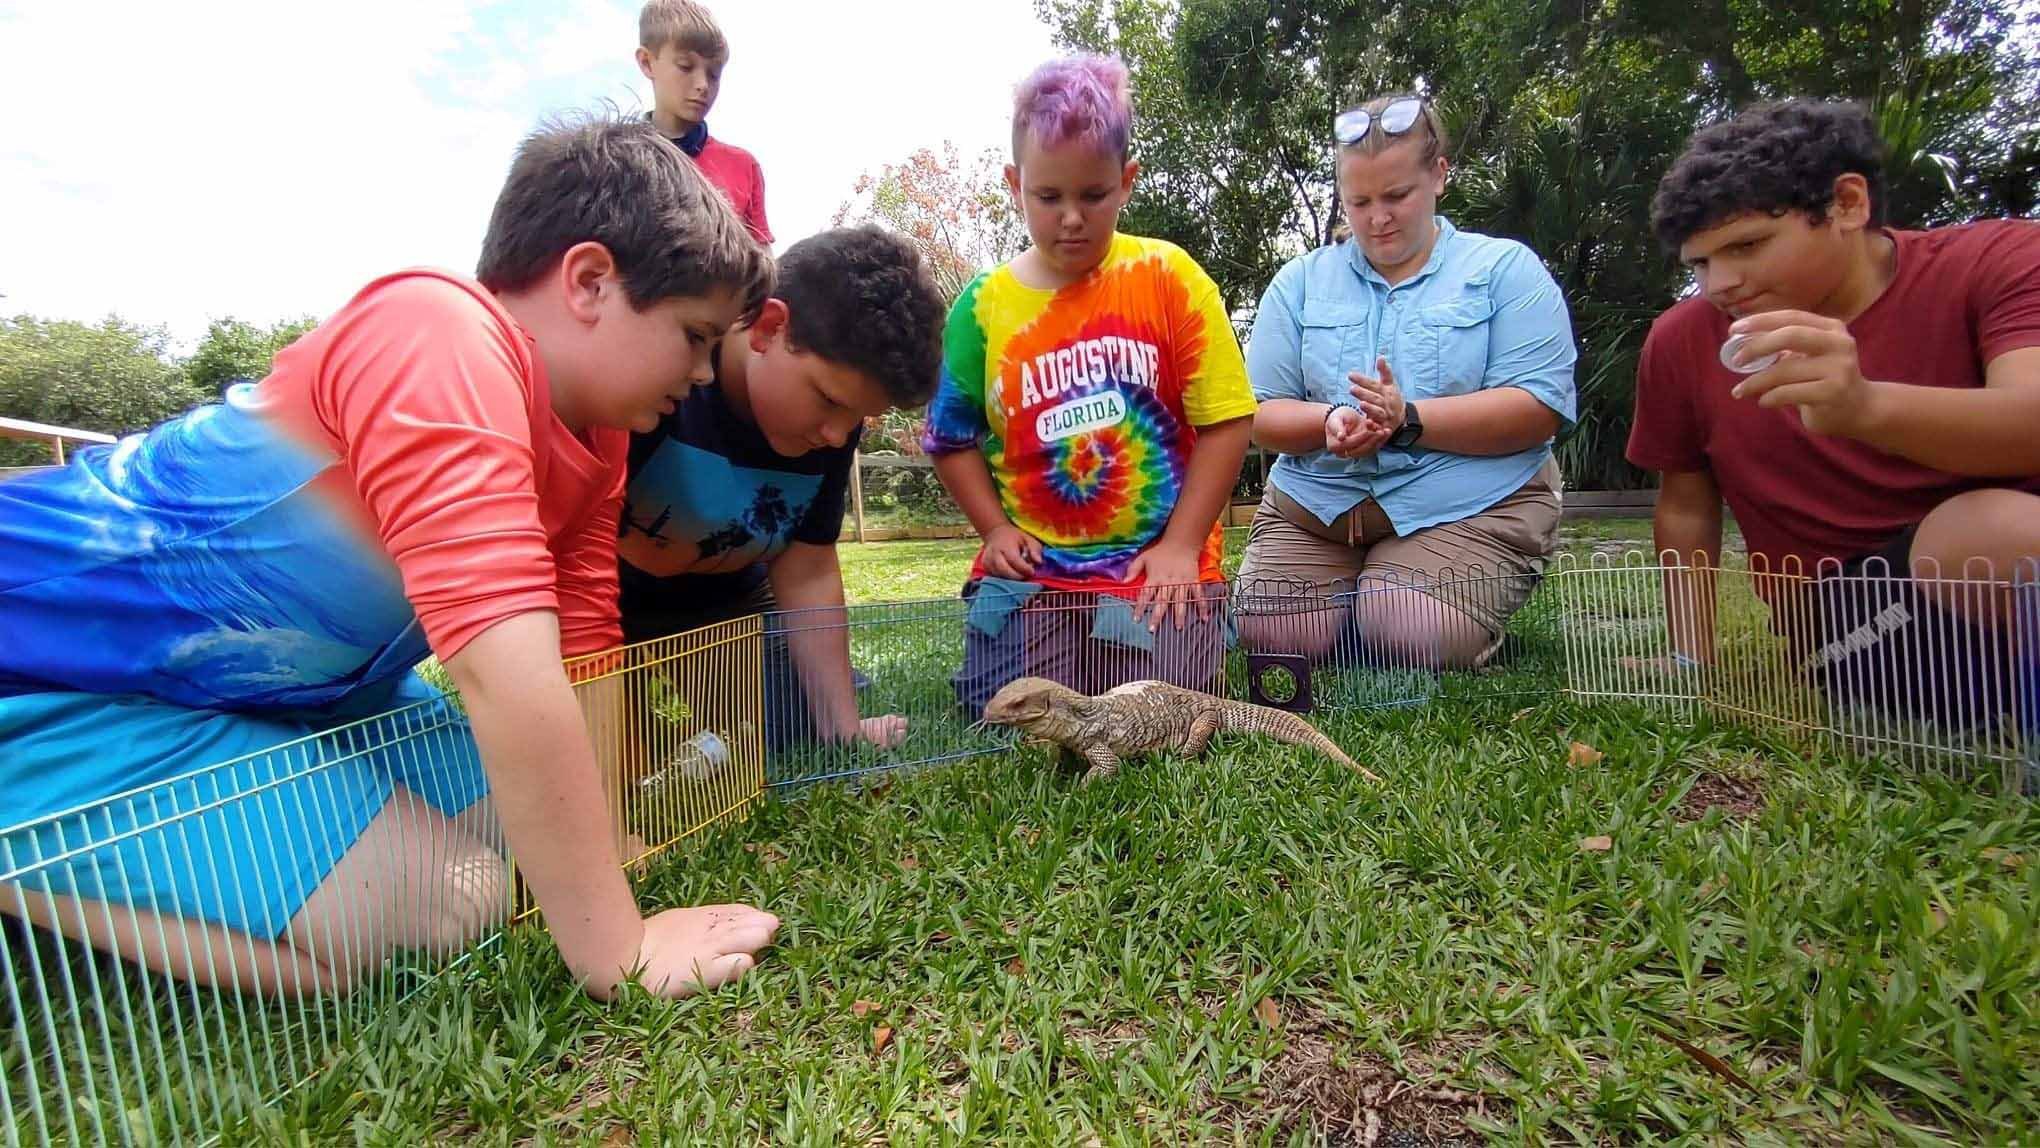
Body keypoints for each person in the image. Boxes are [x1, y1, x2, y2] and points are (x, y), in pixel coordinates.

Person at [0, 112, 783, 1001]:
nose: (707, 374)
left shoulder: (601, 436)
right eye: (693, 334)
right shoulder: (436, 332)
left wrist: (600, 844)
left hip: (313, 696)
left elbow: (584, 641)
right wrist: (617, 946)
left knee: (527, 856)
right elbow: (504, 672)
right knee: (456, 902)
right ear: (590, 280)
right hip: (50, 682)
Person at [1628, 97, 2040, 729]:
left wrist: (1865, 406)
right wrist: (1689, 657)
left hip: (2012, 586)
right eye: (1701, 264)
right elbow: (1685, 505)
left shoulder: (1996, 262)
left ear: (1848, 203)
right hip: (1854, 623)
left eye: (1748, 245)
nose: (1720, 285)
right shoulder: (1683, 340)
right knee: (1983, 532)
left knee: (1993, 531)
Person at [919, 54, 1257, 720]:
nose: (1070, 217)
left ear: (1126, 182)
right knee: (1007, 712)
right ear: (1015, 184)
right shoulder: (981, 309)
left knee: (1159, 711)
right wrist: (992, 529)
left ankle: (1184, 629)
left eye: (1092, 195)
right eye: (1048, 197)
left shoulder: (1171, 278)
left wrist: (1184, 544)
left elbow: (1227, 420)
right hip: (1035, 569)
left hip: (1150, 562)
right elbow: (949, 436)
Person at [1235, 93, 1578, 671]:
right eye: (1359, 200)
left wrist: (1408, 421)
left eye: (1397, 196)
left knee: (1406, 628)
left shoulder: (1504, 269)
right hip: (1320, 508)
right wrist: (1327, 423)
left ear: (1439, 175)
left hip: (1465, 505)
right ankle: (1356, 598)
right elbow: (1258, 413)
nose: (1377, 217)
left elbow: (1538, 407)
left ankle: (1400, 604)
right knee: (1273, 634)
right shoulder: (1299, 281)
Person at [617, 225, 947, 750]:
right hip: (609, 607)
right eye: (829, 400)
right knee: (610, 750)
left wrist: (844, 731)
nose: (838, 435)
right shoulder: (666, 377)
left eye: (858, 417)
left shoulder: (832, 427)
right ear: (770, 327)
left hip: (729, 608)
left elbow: (809, 570)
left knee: (789, 731)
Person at [636, 0, 772, 245]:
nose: (703, 85)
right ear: (647, 62)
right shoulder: (616, 165)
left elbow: (762, 267)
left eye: (714, 73)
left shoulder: (743, 165)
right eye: (686, 67)